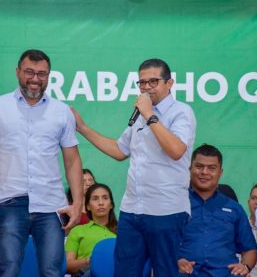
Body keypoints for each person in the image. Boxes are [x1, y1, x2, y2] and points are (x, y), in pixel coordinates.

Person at [71, 58, 196, 277]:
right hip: (132, 210)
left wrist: (149, 114)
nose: (146, 88)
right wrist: (83, 128)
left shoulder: (181, 112)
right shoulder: (140, 117)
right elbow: (119, 150)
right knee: (125, 271)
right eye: (142, 83)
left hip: (165, 210)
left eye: (153, 82)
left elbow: (176, 150)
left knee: (166, 271)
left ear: (170, 83)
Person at [0, 49, 83, 277]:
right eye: (29, 72)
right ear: (17, 72)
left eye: (41, 74)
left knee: (53, 271)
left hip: (52, 205)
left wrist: (78, 202)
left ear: (49, 75)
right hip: (9, 201)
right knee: (8, 270)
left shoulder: (62, 111)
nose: (35, 79)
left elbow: (72, 160)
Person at [178, 144, 257, 277]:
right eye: (199, 166)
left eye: (211, 168)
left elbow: (249, 249)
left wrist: (244, 266)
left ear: (220, 172)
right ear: (190, 168)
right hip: (184, 273)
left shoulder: (234, 208)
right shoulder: (175, 204)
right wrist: (175, 260)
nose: (204, 172)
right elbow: (160, 244)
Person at [65, 183, 118, 276]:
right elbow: (67, 265)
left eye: (105, 198)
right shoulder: (78, 230)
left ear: (111, 205)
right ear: (88, 206)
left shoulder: (123, 231)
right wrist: (90, 260)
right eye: (95, 199)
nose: (101, 203)